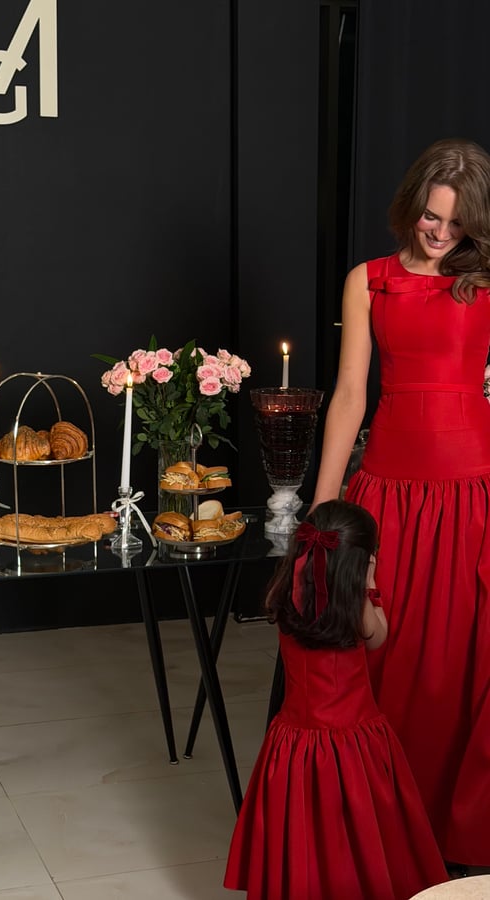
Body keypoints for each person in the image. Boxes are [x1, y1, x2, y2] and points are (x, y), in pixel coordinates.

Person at [310, 137, 490, 874]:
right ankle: (381, 830)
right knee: (386, 654)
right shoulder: (370, 281)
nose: (440, 232)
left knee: (462, 667)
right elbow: (351, 395)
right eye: (430, 216)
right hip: (387, 492)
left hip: (473, 494)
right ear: (412, 204)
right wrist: (323, 509)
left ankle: (460, 841)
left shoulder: (485, 283)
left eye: (456, 221)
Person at [223, 500, 448, 900]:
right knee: (357, 825)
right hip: (352, 741)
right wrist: (370, 585)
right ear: (360, 563)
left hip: (296, 738)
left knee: (302, 820)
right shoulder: (356, 607)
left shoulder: (283, 593)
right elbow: (379, 638)